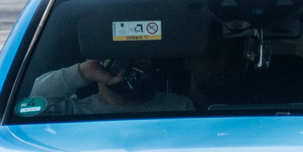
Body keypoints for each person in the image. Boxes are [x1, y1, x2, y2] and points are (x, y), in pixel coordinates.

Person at [25, 58, 194, 117]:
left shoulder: (179, 107)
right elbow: (21, 103)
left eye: (141, 61)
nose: (126, 70)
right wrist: (81, 72)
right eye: (119, 61)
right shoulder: (69, 111)